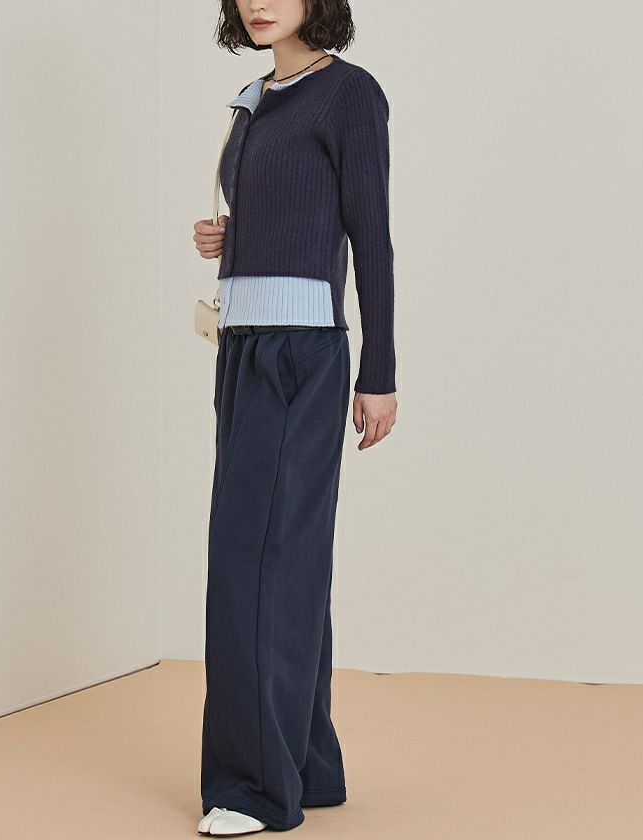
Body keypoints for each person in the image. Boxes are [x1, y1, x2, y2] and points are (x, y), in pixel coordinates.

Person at [192, 1, 397, 834]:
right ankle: (305, 765)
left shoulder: (348, 93)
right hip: (242, 345)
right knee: (284, 559)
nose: (258, 1)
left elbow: (370, 234)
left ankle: (252, 788)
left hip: (300, 351)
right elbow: (292, 214)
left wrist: (380, 373)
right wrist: (227, 238)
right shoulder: (256, 99)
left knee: (258, 561)